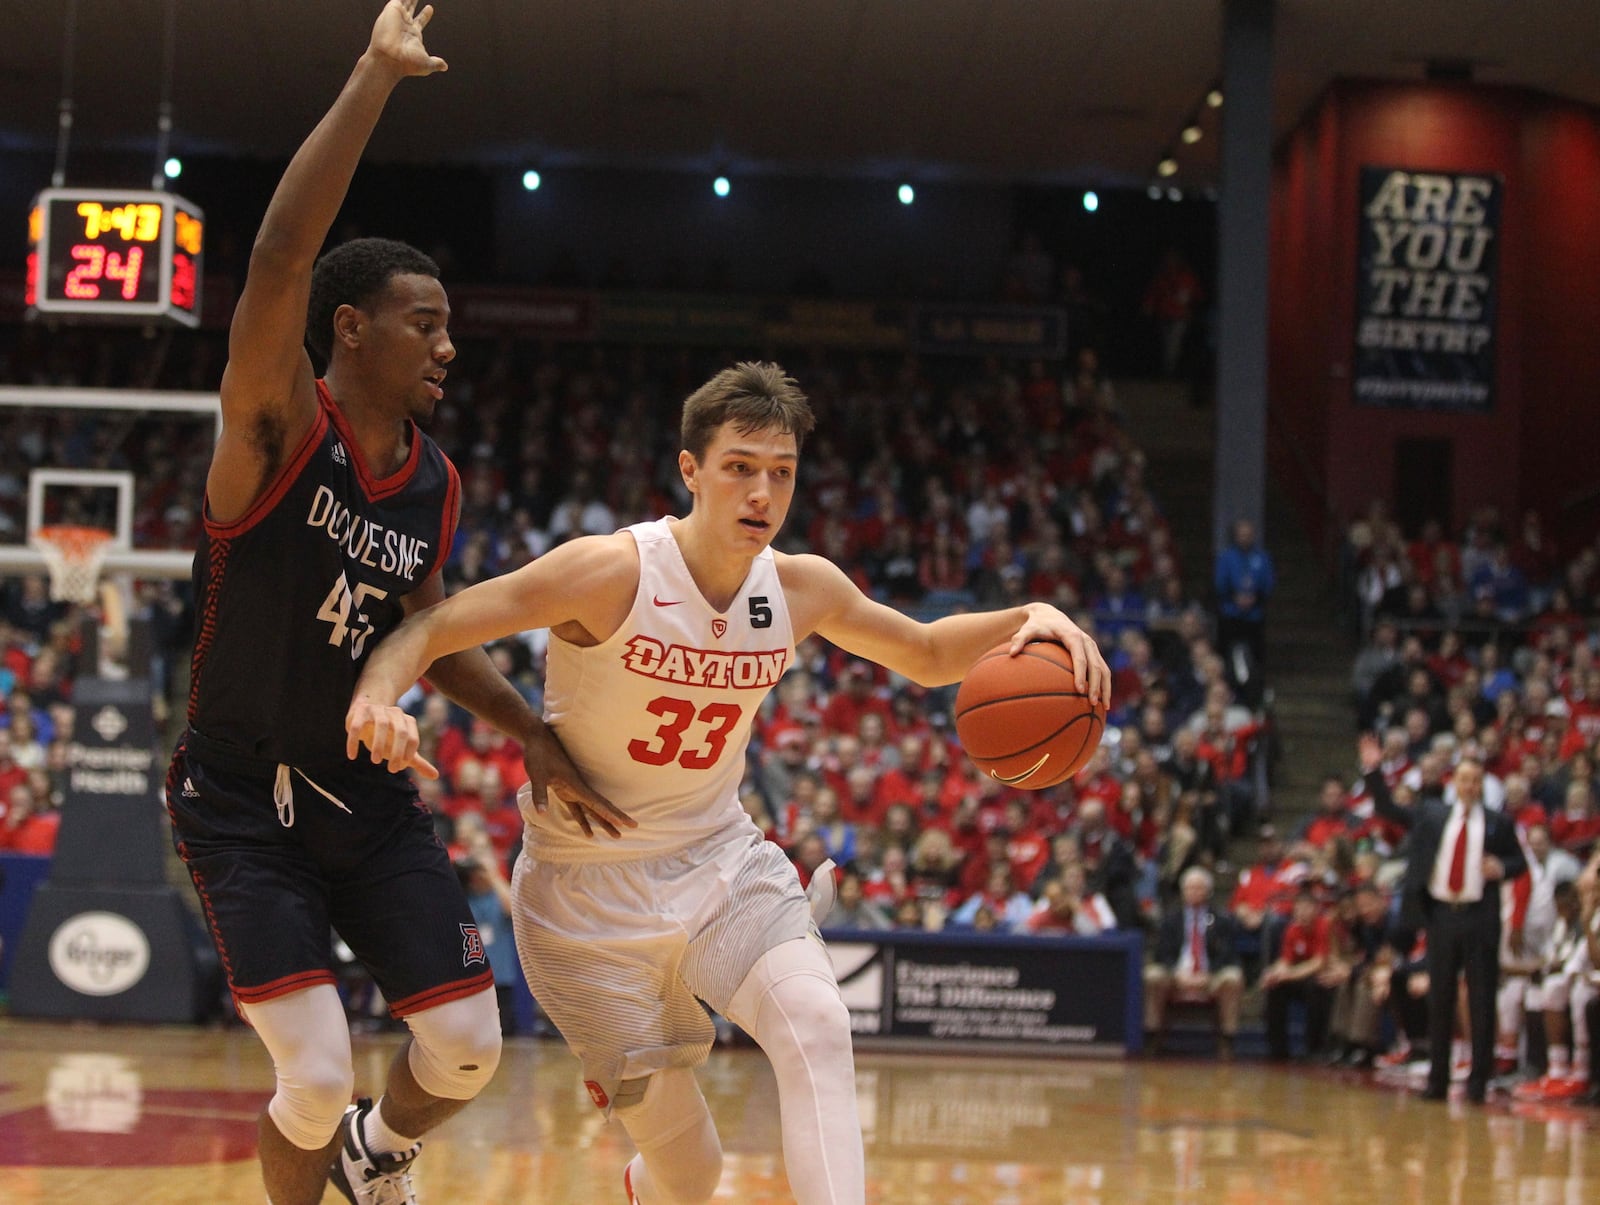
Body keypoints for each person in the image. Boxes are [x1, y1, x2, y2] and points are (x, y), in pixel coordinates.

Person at [345, 360, 1110, 1205]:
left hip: (721, 866)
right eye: (740, 466)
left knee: (820, 1024)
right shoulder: (608, 571)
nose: (762, 492)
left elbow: (926, 653)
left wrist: (1032, 616)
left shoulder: (798, 586)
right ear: (690, 470)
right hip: (585, 902)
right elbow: (437, 623)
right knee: (693, 1174)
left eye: (780, 473)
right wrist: (379, 694)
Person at [161, 8, 629, 1204]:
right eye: (427, 322)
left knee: (469, 1042)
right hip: (237, 795)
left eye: (451, 327)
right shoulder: (273, 429)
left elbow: (430, 627)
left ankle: (377, 1155)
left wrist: (531, 732)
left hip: (360, 798)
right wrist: (374, 74)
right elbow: (277, 258)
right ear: (351, 328)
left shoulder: (432, 480)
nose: (448, 346)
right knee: (310, 1075)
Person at [1360, 733, 1525, 1102]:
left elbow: (1519, 862)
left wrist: (1502, 866)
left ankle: (1479, 1082)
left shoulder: (1498, 823)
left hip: (1480, 916)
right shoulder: (1433, 814)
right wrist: (1373, 770)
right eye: (1464, 779)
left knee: (1481, 998)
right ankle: (1437, 1080)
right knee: (1441, 997)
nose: (1470, 786)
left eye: (1477, 781)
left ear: (1483, 785)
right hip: (1442, 917)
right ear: (1454, 783)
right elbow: (1387, 808)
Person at [1143, 867, 1245, 1058]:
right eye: (1189, 888)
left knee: (1233, 977)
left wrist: (1209, 975)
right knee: (1152, 976)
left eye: (1198, 888)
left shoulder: (1221, 919)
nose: (1194, 892)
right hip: (1176, 976)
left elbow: (1228, 954)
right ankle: (1152, 1035)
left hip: (1210, 976)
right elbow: (1161, 953)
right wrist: (1176, 973)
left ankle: (1227, 1039)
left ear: (1208, 891)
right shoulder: (1170, 919)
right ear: (1183, 892)